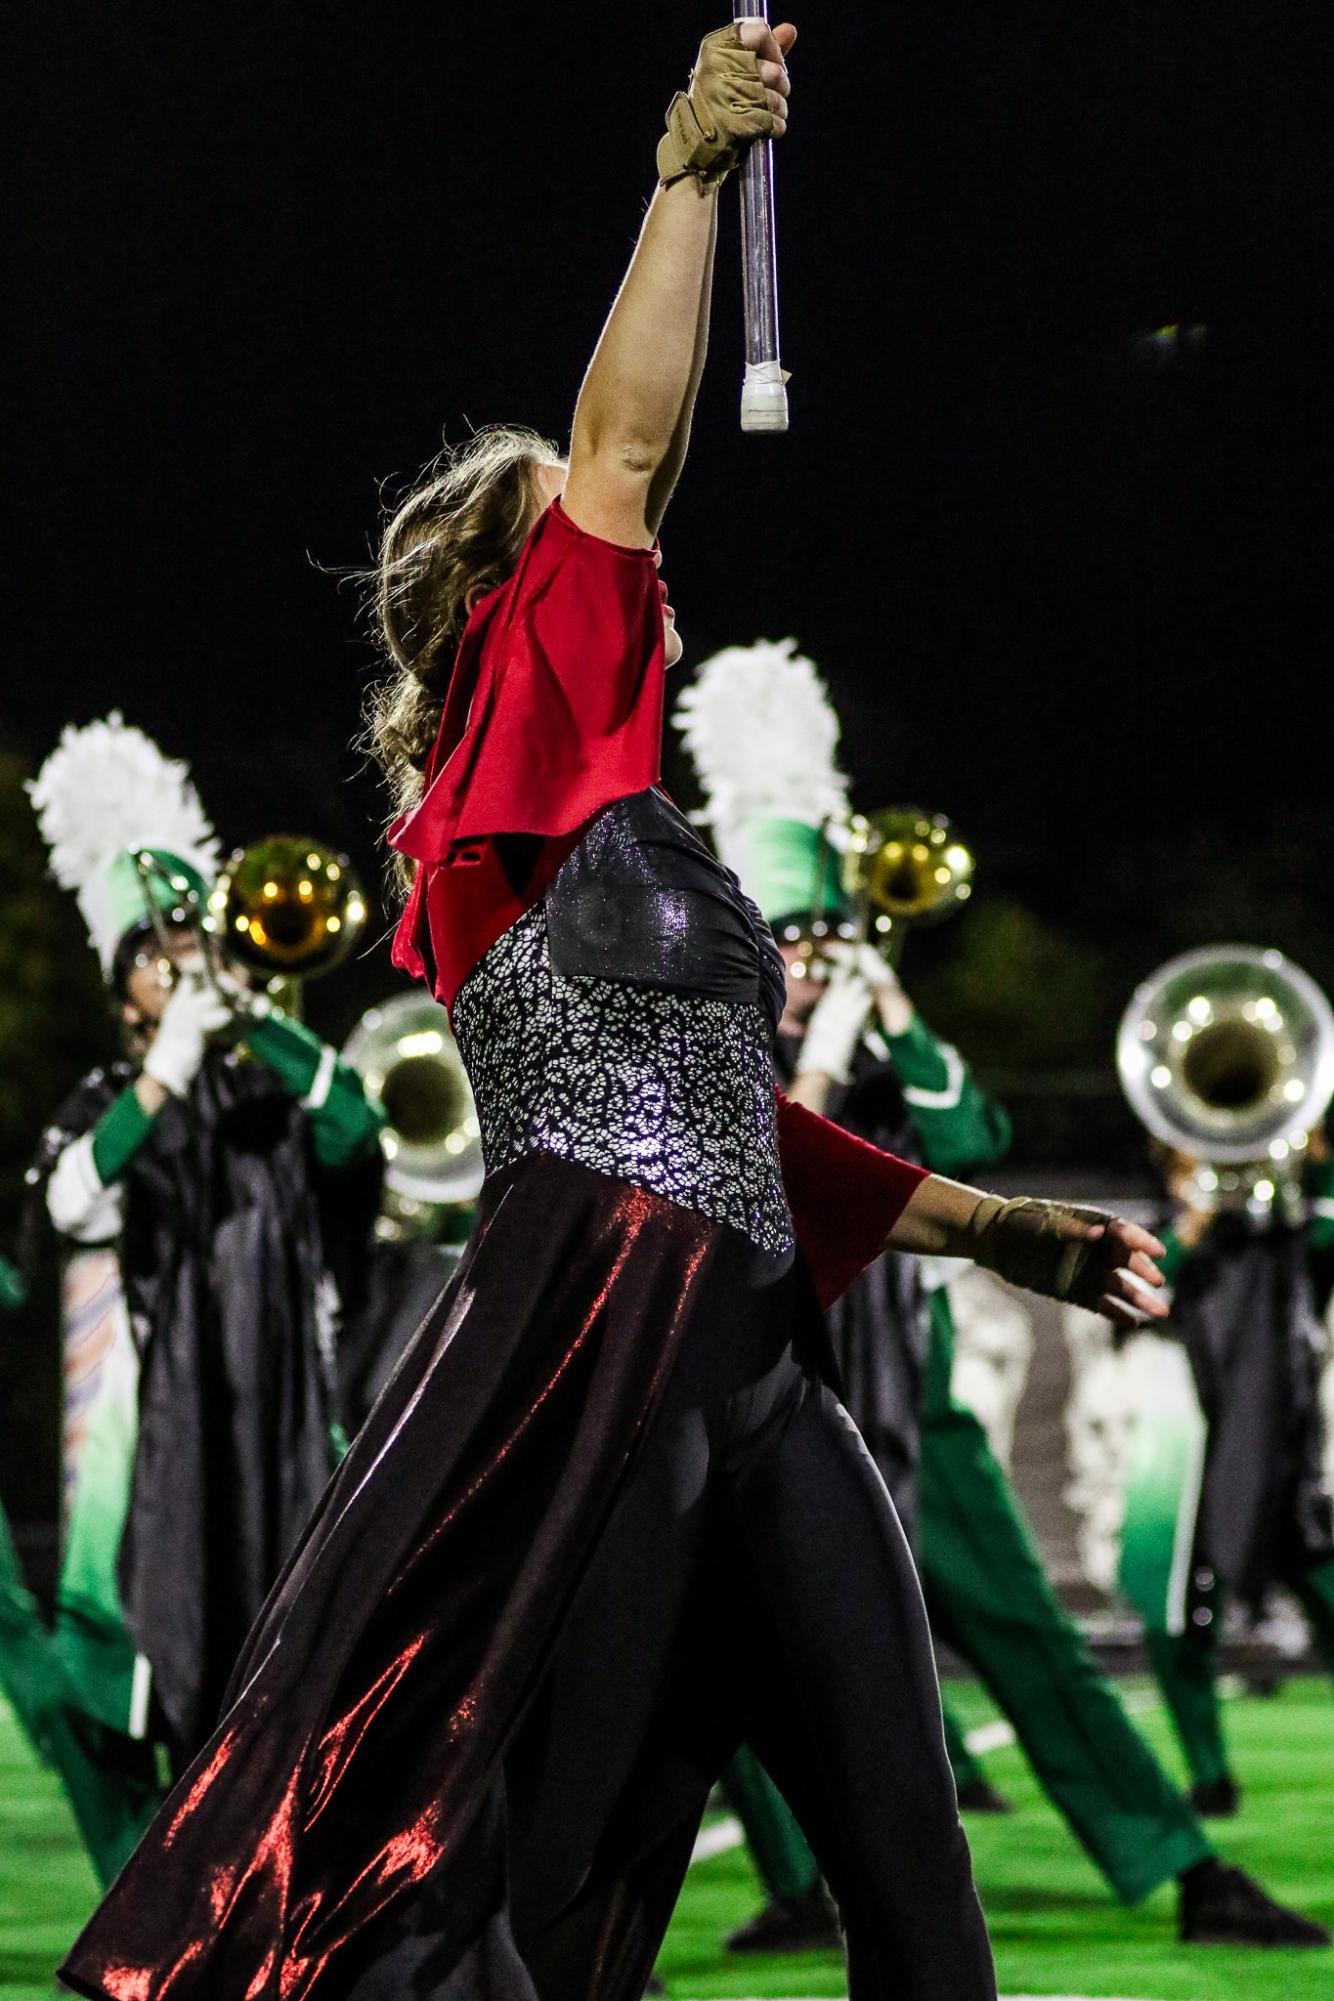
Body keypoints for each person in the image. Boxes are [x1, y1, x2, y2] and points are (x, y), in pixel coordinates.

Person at [61, 28, 1168, 2001]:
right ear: (510, 599)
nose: (632, 560)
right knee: (537, 1894)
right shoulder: (537, 739)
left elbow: (742, 1127)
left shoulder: (602, 815)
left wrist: (1002, 1228)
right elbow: (630, 450)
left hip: (755, 1371)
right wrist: (689, 173)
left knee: (914, 1873)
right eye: (572, 539)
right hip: (601, 1374)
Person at [675, 634, 1331, 1951]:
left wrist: (898, 1028)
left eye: (818, 940)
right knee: (721, 1631)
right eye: (784, 943)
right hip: (773, 1376)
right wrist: (807, 1060)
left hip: (908, 1388)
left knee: (1028, 1642)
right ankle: (800, 1882)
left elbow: (968, 1145)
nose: (806, 965)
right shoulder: (716, 1052)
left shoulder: (890, 1047)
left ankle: (1183, 1866)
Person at [24, 717, 383, 1880]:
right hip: (154, 1455)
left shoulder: (271, 1086)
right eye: (158, 949)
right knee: (141, 1694)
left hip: (281, 1424)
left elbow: (356, 1131)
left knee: (308, 1682)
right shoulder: (101, 1101)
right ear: (120, 981)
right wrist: (167, 1069)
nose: (182, 962)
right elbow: (69, 1208)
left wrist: (255, 1023)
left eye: (196, 939)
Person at [1121, 1139, 1334, 1818]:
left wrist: (1304, 1163)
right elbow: (1140, 1296)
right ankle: (1210, 1773)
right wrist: (1194, 1220)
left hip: (1279, 1453)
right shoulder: (1166, 1233)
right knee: (1174, 1622)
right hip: (1188, 1457)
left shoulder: (1297, 1231)